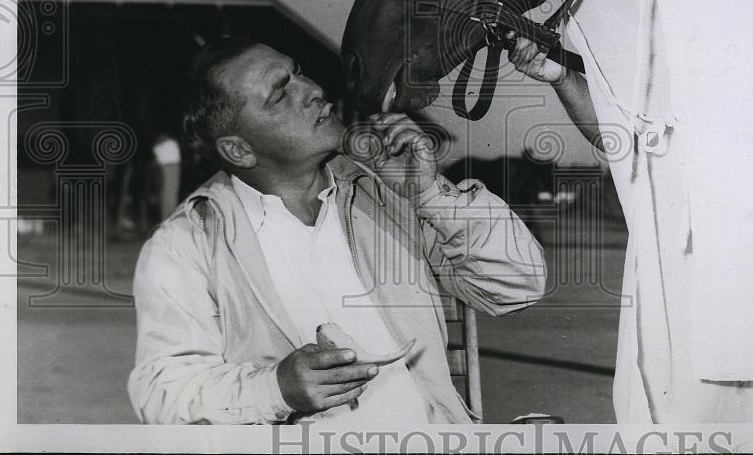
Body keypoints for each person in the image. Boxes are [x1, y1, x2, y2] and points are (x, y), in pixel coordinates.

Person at [128, 36, 546, 425]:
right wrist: (276, 389)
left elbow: (518, 285)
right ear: (238, 149)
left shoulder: (388, 192)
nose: (313, 90)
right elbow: (161, 393)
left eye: (299, 73)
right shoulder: (186, 244)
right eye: (280, 93)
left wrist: (430, 193)